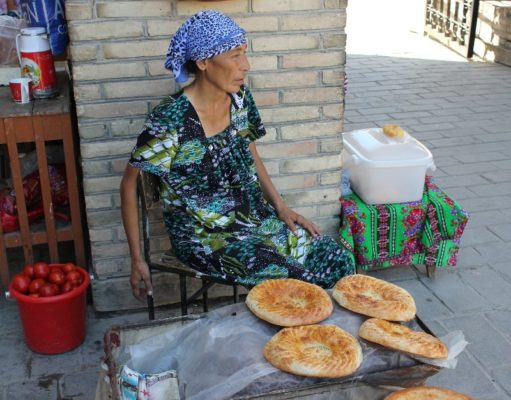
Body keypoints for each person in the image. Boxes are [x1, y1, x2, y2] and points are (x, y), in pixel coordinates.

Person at [120, 10, 355, 301]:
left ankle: (320, 338)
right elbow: (129, 184)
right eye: (235, 56)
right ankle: (297, 341)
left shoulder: (239, 98)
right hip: (205, 237)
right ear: (204, 61)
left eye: (245, 53)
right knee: (297, 280)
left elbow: (249, 151)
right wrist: (137, 259)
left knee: (334, 258)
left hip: (254, 218)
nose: (246, 65)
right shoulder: (171, 119)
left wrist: (280, 207)